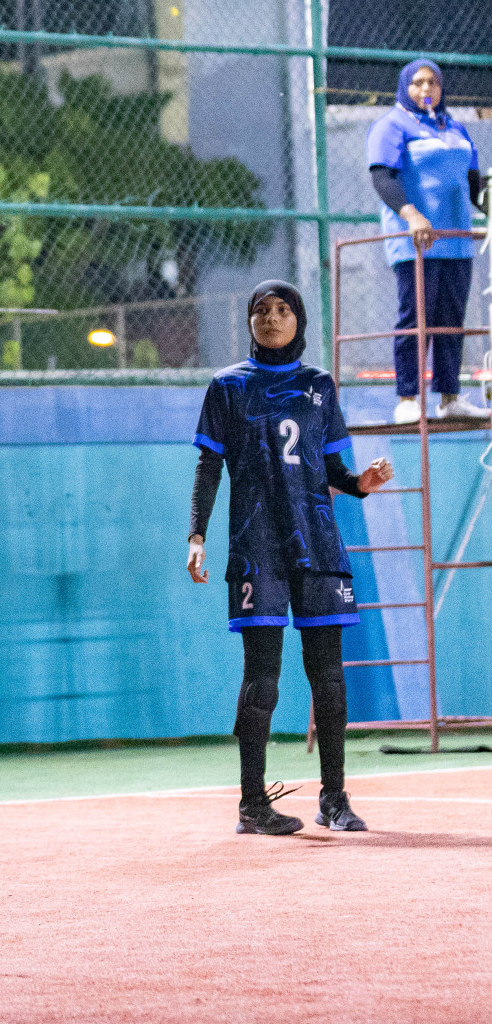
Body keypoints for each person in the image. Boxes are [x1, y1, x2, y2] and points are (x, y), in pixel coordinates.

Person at [186, 280, 395, 835]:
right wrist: (196, 534)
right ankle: (252, 804)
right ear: (249, 321)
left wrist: (360, 483)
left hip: (317, 544)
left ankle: (334, 798)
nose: (272, 318)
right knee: (263, 679)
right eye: (261, 310)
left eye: (283, 310)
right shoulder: (226, 387)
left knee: (328, 677)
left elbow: (331, 473)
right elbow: (208, 468)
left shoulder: (319, 386)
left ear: (298, 319)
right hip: (258, 549)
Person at [366, 59, 490, 424]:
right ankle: (407, 397)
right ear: (406, 87)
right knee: (416, 315)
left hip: (456, 241)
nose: (426, 89)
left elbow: (474, 186)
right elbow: (382, 177)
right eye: (418, 83)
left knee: (452, 318)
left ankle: (449, 396)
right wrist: (412, 215)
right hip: (416, 241)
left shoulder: (455, 129)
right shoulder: (390, 125)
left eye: (433, 83)